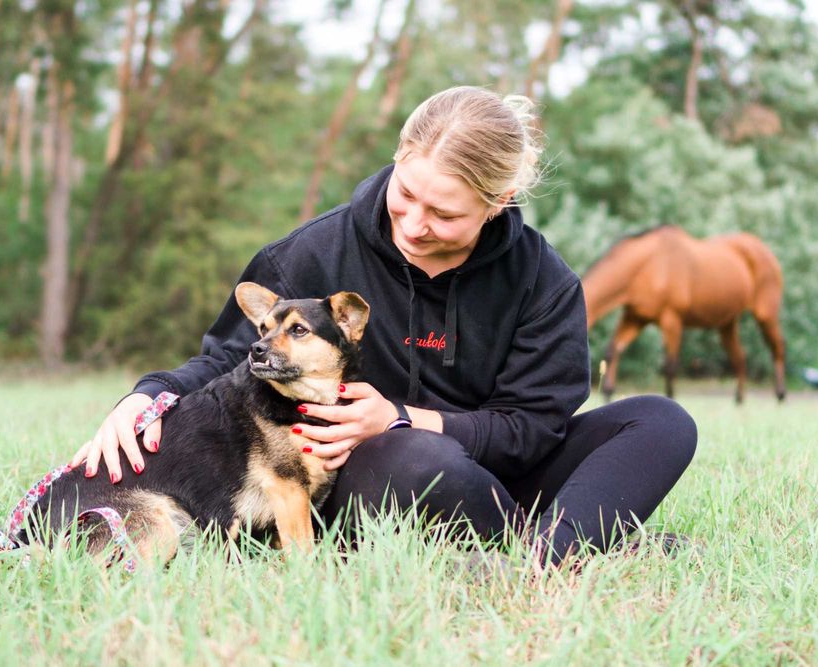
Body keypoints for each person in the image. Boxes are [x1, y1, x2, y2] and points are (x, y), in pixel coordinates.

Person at [70, 86, 697, 564]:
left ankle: (537, 552)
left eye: (444, 213)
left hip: (493, 464)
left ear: (497, 203)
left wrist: (403, 414)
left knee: (662, 421)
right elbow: (231, 360)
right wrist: (147, 395)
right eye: (407, 194)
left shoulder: (544, 281)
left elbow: (535, 429)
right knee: (410, 458)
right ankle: (575, 539)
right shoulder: (308, 256)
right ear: (398, 157)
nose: (414, 224)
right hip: (378, 476)